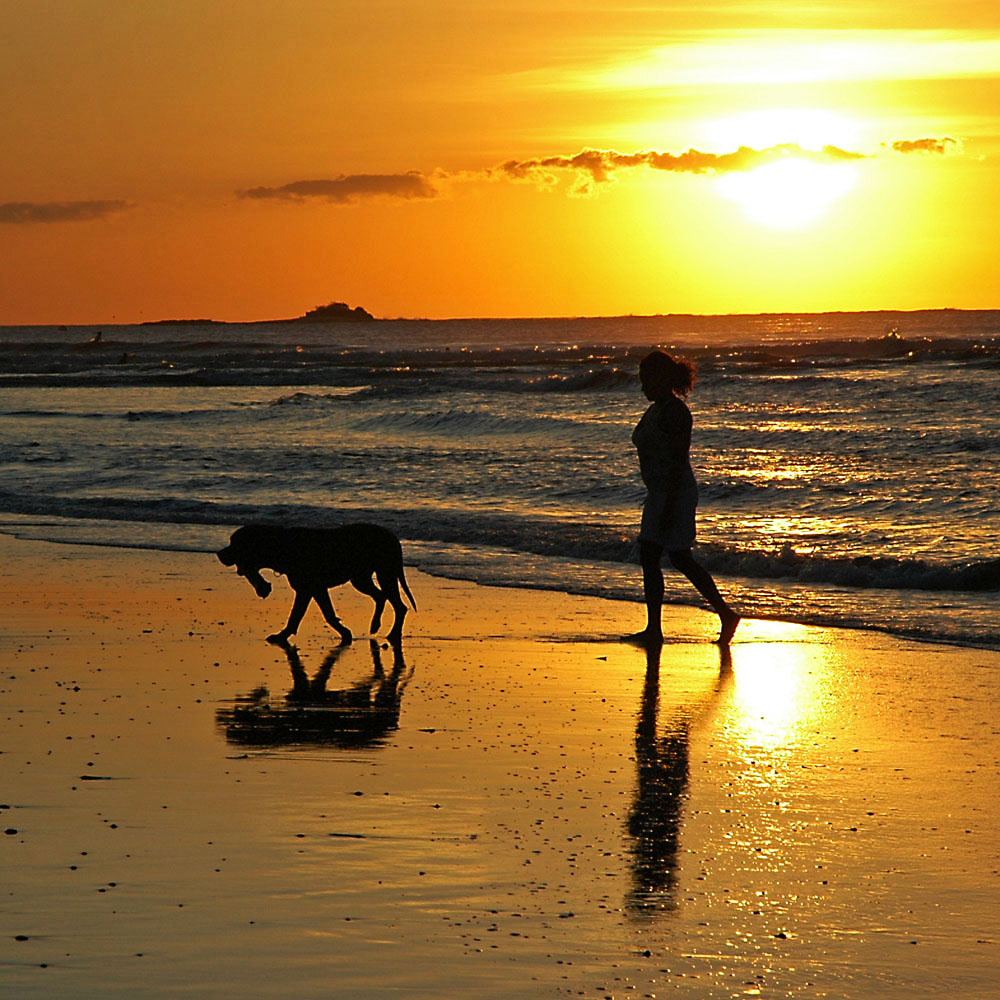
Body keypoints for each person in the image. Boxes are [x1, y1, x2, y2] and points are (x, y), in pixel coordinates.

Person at [626, 349, 740, 646]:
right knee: (660, 556)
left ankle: (722, 615)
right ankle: (658, 628)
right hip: (659, 492)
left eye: (645, 380)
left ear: (660, 379)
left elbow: (678, 461)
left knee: (671, 555)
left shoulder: (675, 412)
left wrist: (668, 505)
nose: (642, 387)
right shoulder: (657, 408)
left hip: (674, 492)